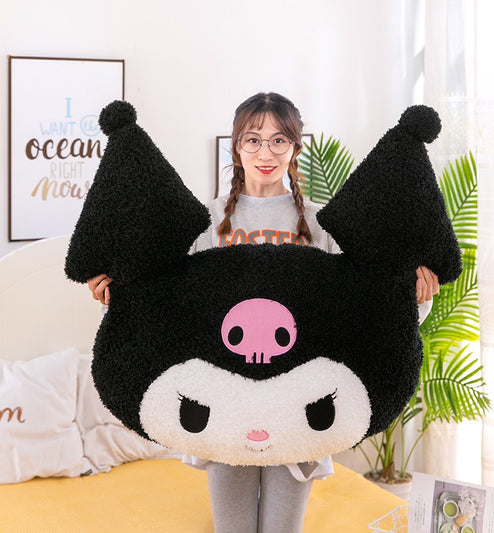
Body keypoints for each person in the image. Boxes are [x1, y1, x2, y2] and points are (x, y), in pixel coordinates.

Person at [88, 92, 439, 533]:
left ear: (295, 147)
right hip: (224, 407)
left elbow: (361, 311)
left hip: (295, 408)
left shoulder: (322, 226)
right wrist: (117, 293)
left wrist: (416, 295)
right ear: (236, 146)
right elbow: (170, 309)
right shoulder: (205, 223)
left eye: (278, 140)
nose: (266, 153)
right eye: (253, 140)